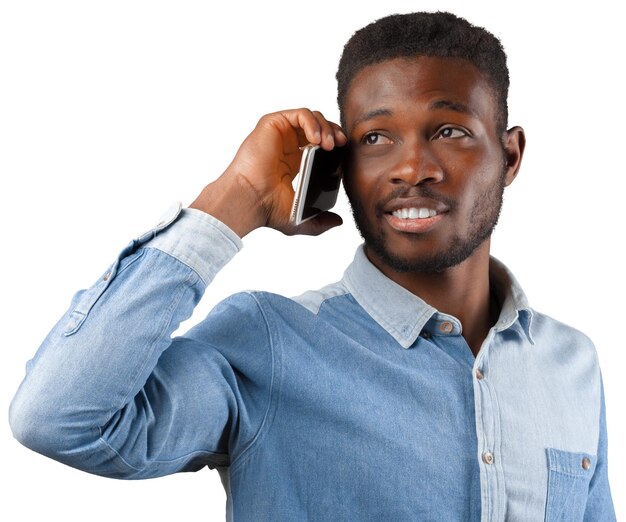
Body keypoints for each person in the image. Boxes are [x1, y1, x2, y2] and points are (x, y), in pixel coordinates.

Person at [8, 11, 615, 521]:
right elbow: (58, 419)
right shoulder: (268, 341)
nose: (411, 168)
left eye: (450, 130)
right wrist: (234, 198)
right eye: (376, 139)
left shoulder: (572, 363)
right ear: (340, 163)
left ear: (509, 156)